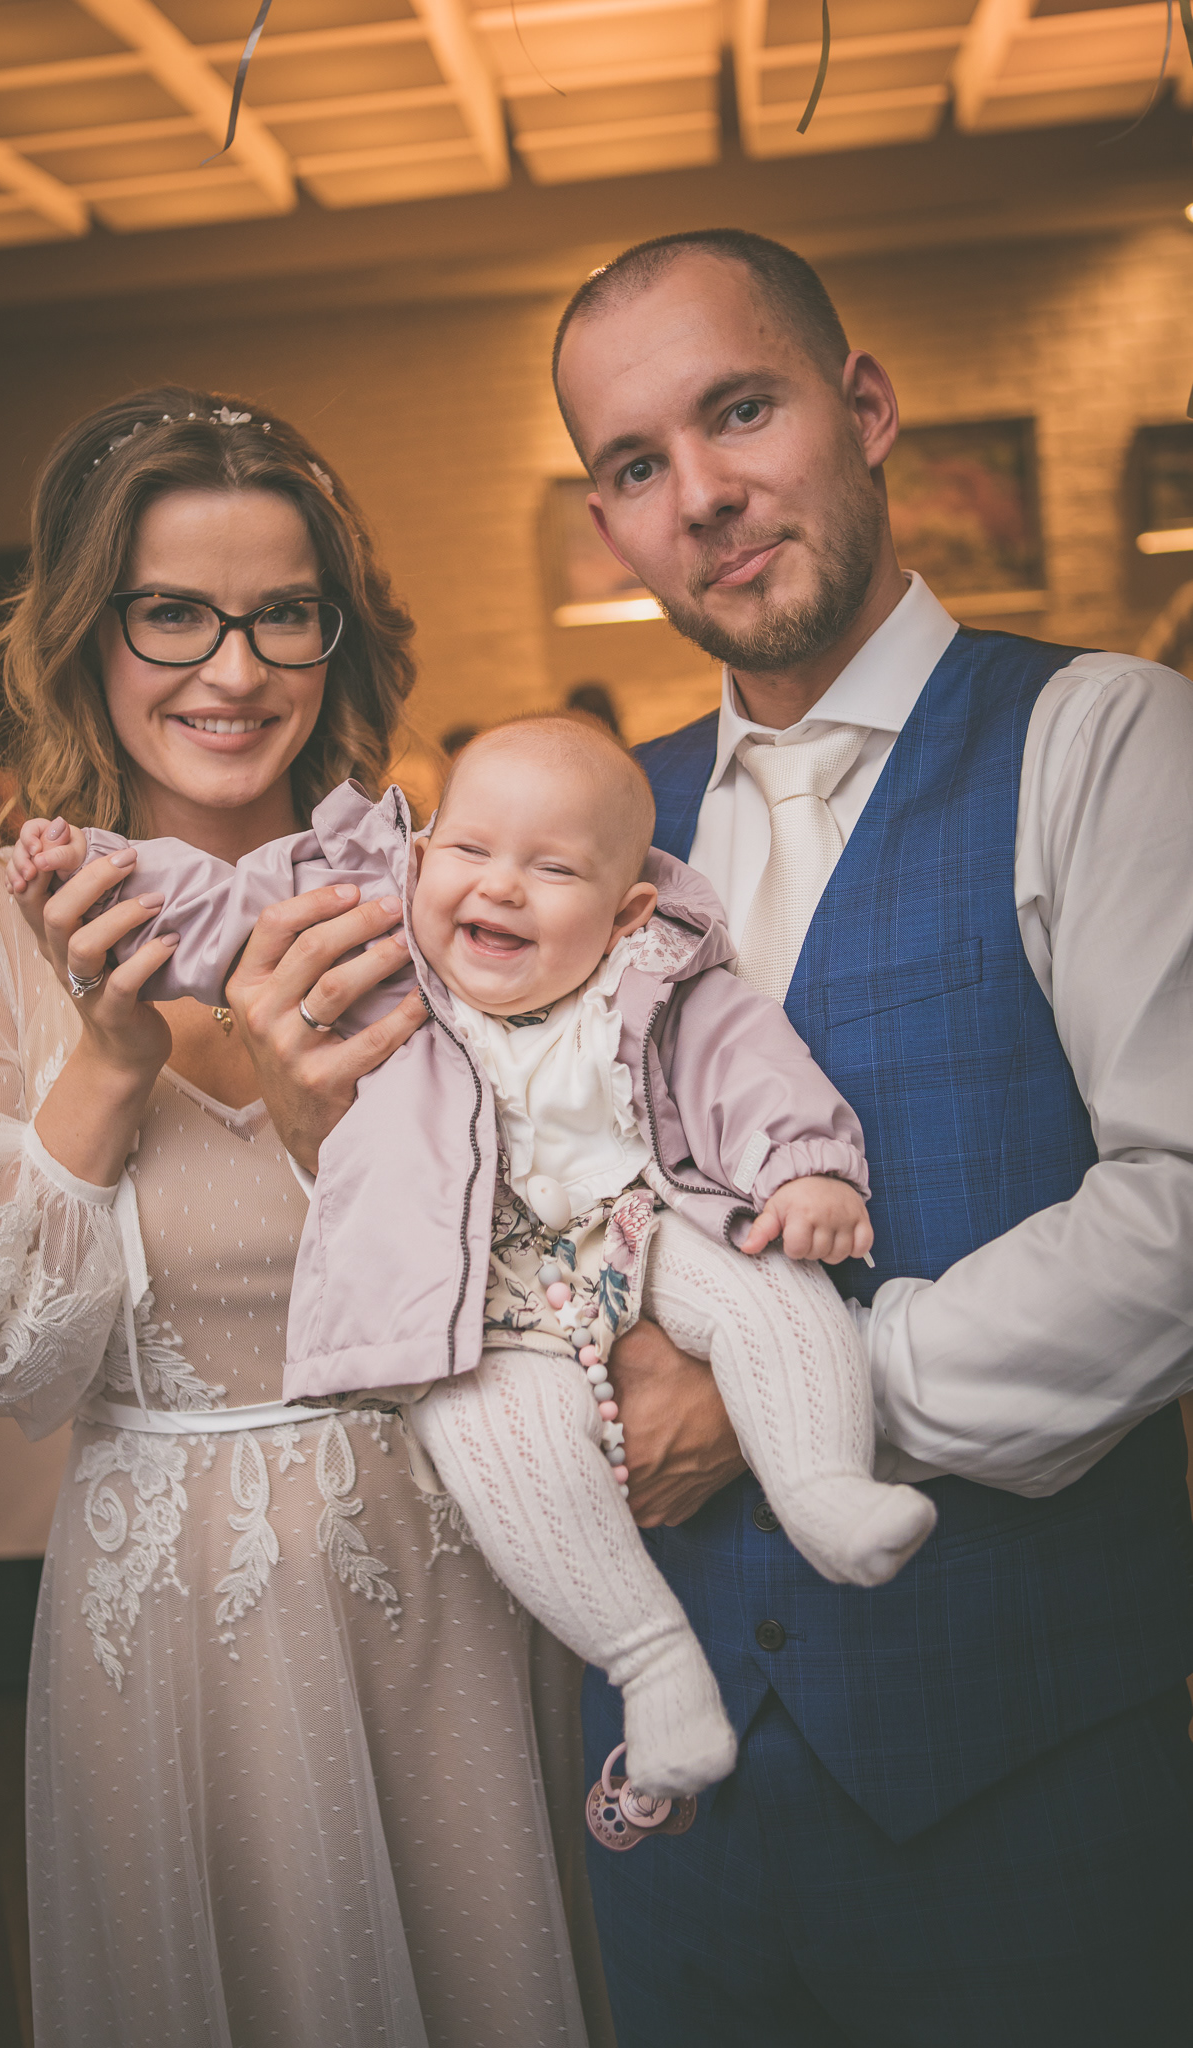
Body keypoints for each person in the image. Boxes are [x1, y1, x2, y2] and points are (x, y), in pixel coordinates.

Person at [0, 387, 614, 2048]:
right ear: (90, 631)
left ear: (335, 637)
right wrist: (107, 1060)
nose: (233, 667)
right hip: (173, 1631)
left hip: (454, 1583)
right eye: (173, 613)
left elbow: (563, 1284)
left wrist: (315, 1120)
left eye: (284, 611)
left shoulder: (436, 892)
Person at [544, 228, 1193, 2045]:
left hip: (1025, 1786)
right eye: (636, 464)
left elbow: (1176, 1209)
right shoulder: (601, 829)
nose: (702, 494)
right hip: (676, 1813)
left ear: (868, 405)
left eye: (740, 411)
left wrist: (784, 1402)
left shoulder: (1101, 736)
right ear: (607, 522)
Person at [10, 713, 935, 1799]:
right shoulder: (371, 931)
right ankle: (650, 1661)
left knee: (773, 1287)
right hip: (478, 1291)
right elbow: (221, 904)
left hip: (648, 1229)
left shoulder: (658, 979)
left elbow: (753, 1067)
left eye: (553, 870)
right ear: (417, 854)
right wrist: (94, 869)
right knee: (489, 1438)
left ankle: (825, 1483)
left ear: (626, 910)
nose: (499, 886)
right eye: (468, 849)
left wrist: (807, 1171)